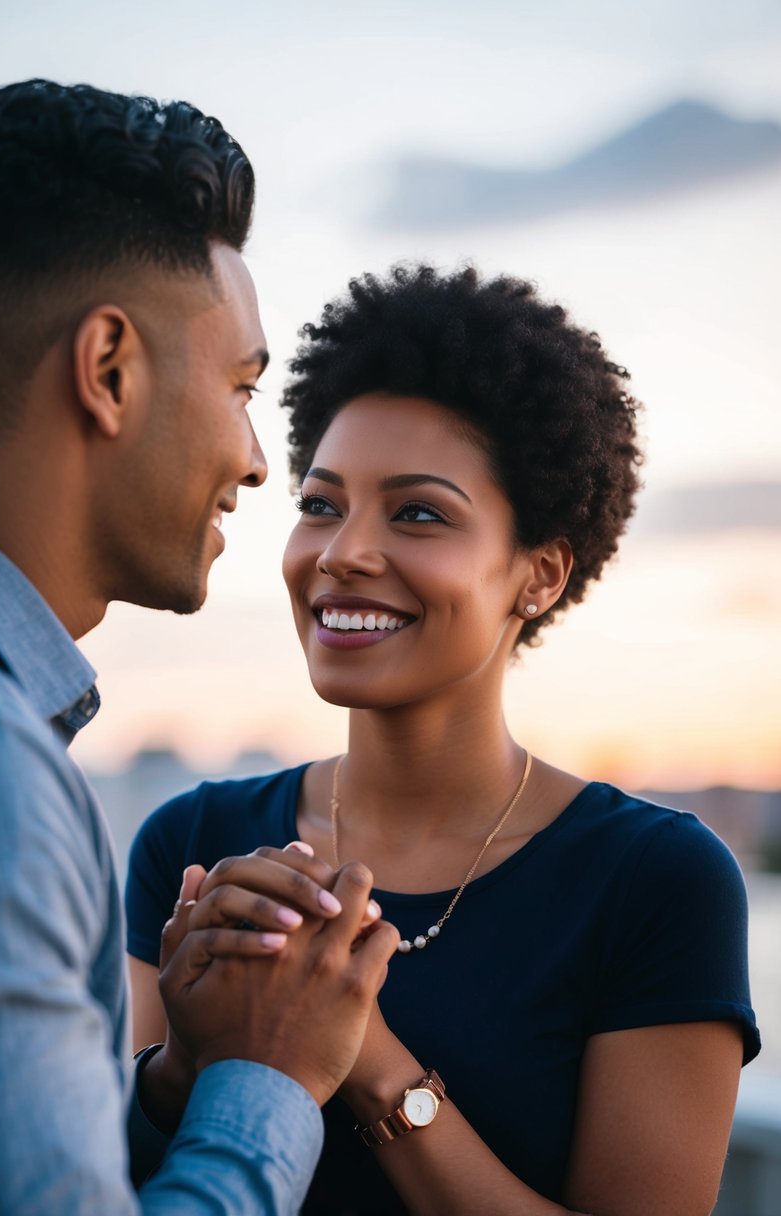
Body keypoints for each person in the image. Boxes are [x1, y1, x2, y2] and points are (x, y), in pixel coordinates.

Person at [127, 264, 761, 1216]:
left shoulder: (656, 884)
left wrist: (366, 1061)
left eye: (418, 512)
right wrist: (179, 1065)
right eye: (321, 503)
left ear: (539, 574)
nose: (342, 552)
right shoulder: (190, 844)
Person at [0, 79, 399, 1215]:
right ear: (108, 369)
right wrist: (271, 1077)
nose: (257, 461)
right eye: (243, 387)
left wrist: (178, 1086)